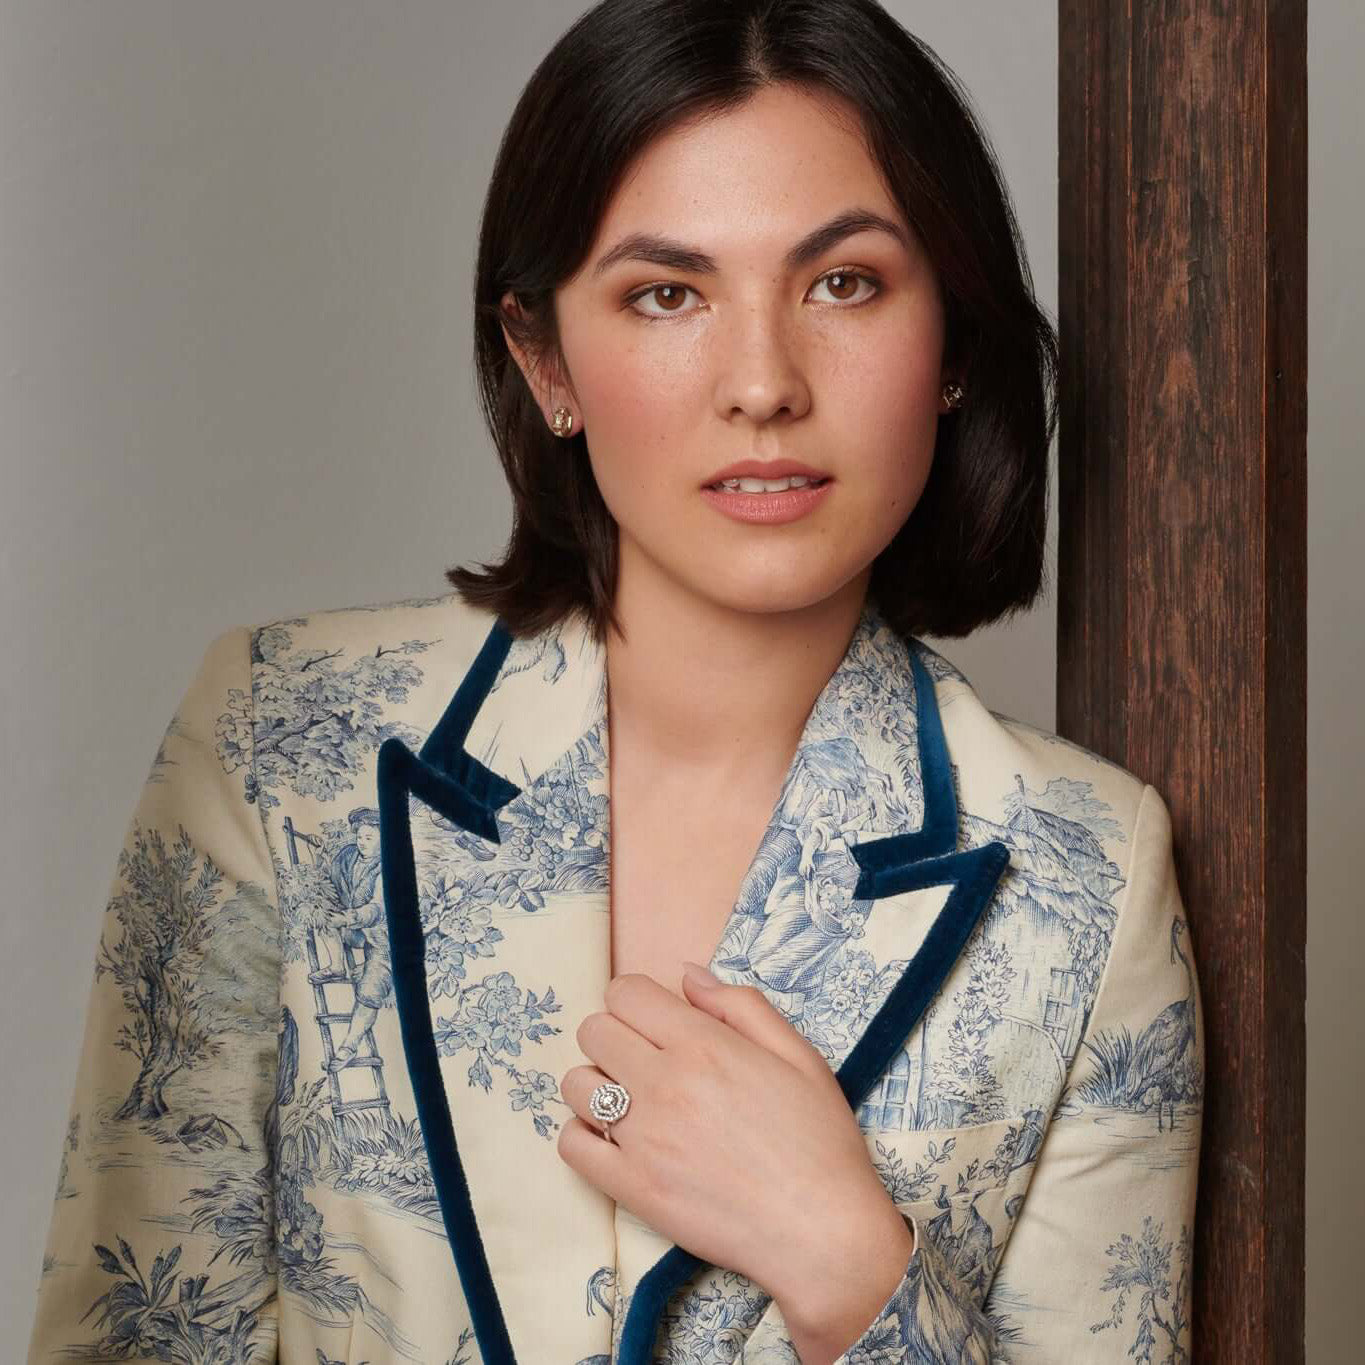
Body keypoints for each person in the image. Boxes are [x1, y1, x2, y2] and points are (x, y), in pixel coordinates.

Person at [26, 1, 1204, 1361]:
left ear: (949, 342)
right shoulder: (283, 742)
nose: (761, 381)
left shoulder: (1081, 873)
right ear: (545, 361)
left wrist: (850, 1262)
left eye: (844, 282)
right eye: (666, 293)